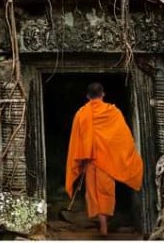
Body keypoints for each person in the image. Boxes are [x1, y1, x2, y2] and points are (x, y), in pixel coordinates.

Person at [65, 82, 143, 236]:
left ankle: (102, 225)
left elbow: (76, 140)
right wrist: (123, 154)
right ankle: (104, 225)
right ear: (103, 94)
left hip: (90, 161)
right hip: (107, 161)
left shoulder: (81, 114)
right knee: (106, 192)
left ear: (88, 96)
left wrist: (80, 159)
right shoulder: (113, 113)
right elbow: (123, 138)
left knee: (94, 194)